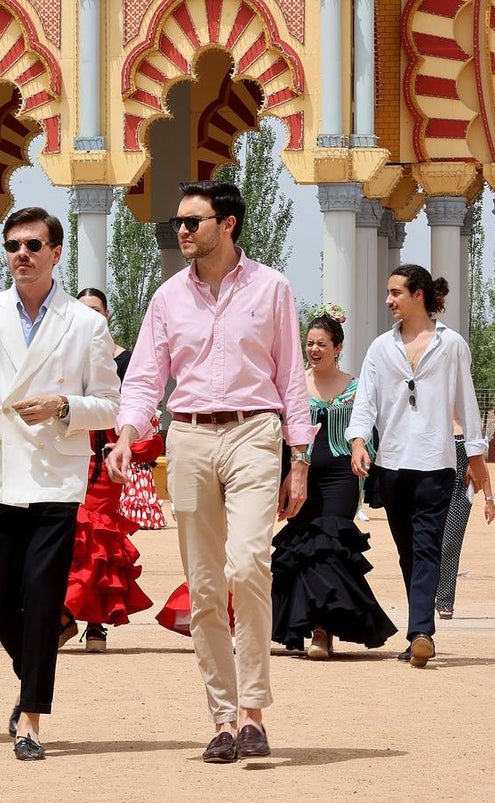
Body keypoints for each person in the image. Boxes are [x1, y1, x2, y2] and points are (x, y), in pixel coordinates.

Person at [106, 179, 312, 764]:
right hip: (190, 436)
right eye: (178, 221)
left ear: (228, 225)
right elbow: (145, 378)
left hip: (254, 430)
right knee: (204, 585)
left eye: (192, 221)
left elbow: (291, 376)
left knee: (248, 565)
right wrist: (127, 436)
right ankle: (223, 719)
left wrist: (299, 460)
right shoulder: (168, 297)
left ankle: (254, 710)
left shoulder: (272, 288)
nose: (181, 230)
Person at [0, 206, 120, 761]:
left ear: (56, 253)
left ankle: (31, 717)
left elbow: (110, 403)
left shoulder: (85, 323)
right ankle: (35, 665)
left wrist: (63, 405)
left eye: (34, 245)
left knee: (39, 598)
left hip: (53, 475)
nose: (22, 254)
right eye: (13, 245)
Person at [347, 264, 486, 668]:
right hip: (391, 463)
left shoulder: (452, 344)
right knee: (408, 551)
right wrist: (358, 441)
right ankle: (420, 630)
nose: (388, 300)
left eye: (395, 293)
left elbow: (467, 403)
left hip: (436, 463)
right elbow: (365, 400)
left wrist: (477, 458)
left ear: (418, 295)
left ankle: (421, 632)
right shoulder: (379, 347)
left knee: (427, 546)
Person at [269, 308, 397, 659]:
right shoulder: (292, 385)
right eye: (309, 343)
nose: (314, 349)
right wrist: (282, 478)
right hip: (300, 474)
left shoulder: (357, 387)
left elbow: (368, 430)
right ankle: (315, 627)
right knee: (304, 547)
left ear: (338, 347)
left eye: (322, 344)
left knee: (329, 543)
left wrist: (366, 458)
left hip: (341, 477)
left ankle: (322, 630)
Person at [60, 287, 156, 653]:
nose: (90, 316)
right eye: (83, 309)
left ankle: (93, 621)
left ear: (107, 315)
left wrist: (126, 444)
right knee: (69, 536)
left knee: (98, 534)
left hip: (107, 457)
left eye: (96, 310)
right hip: (69, 454)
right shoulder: (64, 355)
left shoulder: (125, 359)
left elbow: (138, 405)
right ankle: (72, 614)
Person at [436, 420, 495, 618]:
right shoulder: (434, 416)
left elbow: (480, 464)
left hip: (460, 491)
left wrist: (489, 499)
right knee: (427, 543)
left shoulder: (470, 423)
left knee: (450, 545)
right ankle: (425, 597)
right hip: (433, 487)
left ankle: (444, 602)